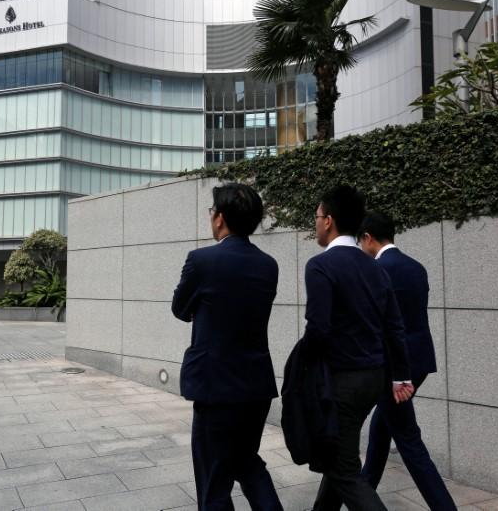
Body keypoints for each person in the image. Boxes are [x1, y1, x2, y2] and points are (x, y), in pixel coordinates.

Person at [172, 183, 283, 511]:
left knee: (214, 479)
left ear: (219, 219)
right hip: (255, 385)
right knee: (247, 463)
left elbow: (180, 309)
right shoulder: (268, 265)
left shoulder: (201, 261)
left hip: (215, 387)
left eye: (212, 212)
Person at [303, 186, 413, 511]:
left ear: (329, 221)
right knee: (340, 456)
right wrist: (400, 376)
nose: (316, 223)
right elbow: (394, 327)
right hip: (374, 380)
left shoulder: (320, 265)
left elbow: (318, 329)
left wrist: (305, 375)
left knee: (345, 471)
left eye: (318, 217)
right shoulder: (376, 267)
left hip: (342, 384)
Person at [358, 211, 457, 511]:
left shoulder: (376, 271)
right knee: (379, 433)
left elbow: (380, 326)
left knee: (409, 442)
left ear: (368, 238)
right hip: (419, 362)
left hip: (393, 370)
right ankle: (362, 498)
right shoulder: (416, 267)